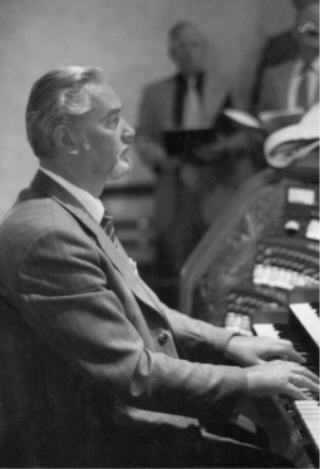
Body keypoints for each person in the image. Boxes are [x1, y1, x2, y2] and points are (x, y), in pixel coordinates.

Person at [0, 65, 318, 468]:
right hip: (93, 446)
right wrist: (250, 381)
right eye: (113, 121)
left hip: (112, 422)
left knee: (265, 438)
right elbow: (134, 371)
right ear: (67, 139)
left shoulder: (66, 213)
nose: (130, 132)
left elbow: (149, 310)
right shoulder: (48, 235)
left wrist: (230, 343)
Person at [135, 22, 245, 281]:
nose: (188, 51)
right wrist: (159, 156)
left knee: (220, 265)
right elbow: (142, 137)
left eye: (194, 44)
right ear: (172, 52)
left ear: (205, 49)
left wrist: (223, 146)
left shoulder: (229, 87)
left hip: (217, 186)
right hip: (174, 189)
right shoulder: (154, 93)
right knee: (178, 268)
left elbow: (248, 134)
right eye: (181, 46)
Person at [255, 1, 319, 114]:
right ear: (294, 31)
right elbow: (263, 118)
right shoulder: (272, 76)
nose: (315, 27)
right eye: (309, 22)